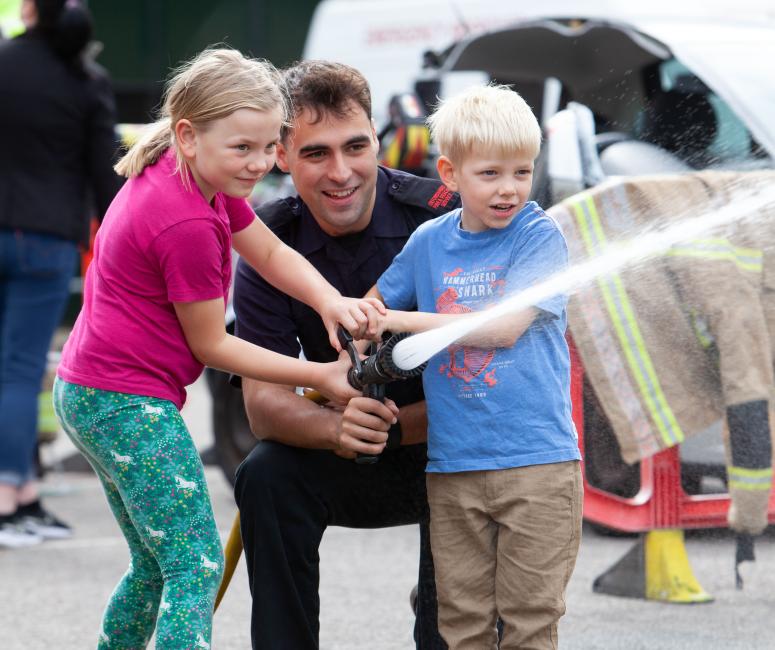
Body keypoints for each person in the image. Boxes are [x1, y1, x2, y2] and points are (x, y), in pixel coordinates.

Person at [52, 48, 382, 650]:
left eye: (267, 147)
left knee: (157, 565)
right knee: (195, 564)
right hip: (124, 405)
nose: (260, 164)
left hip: (92, 393)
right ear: (189, 132)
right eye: (244, 148)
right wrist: (324, 376)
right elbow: (213, 345)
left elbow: (270, 252)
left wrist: (332, 301)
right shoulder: (185, 223)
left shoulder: (198, 173)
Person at [232, 60, 460, 649]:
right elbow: (262, 407)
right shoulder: (267, 241)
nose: (342, 173)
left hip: (449, 451)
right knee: (265, 475)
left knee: (479, 460)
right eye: (316, 154)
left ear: (377, 141)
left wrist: (390, 427)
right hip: (345, 449)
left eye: (355, 146)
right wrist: (337, 431)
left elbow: (494, 386)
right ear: (281, 156)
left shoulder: (441, 215)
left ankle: (445, 619)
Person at [372, 85, 583, 649]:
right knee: (460, 624)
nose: (510, 189)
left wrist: (401, 321)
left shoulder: (539, 236)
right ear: (451, 173)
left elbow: (501, 328)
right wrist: (361, 323)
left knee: (529, 621)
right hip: (453, 468)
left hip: (537, 468)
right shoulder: (427, 243)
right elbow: (372, 307)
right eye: (490, 174)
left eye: (522, 171)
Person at [0, 0, 121, 549]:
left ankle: (20, 496)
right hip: (45, 240)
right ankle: (13, 498)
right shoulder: (84, 80)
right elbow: (106, 178)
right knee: (20, 372)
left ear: (28, 11)